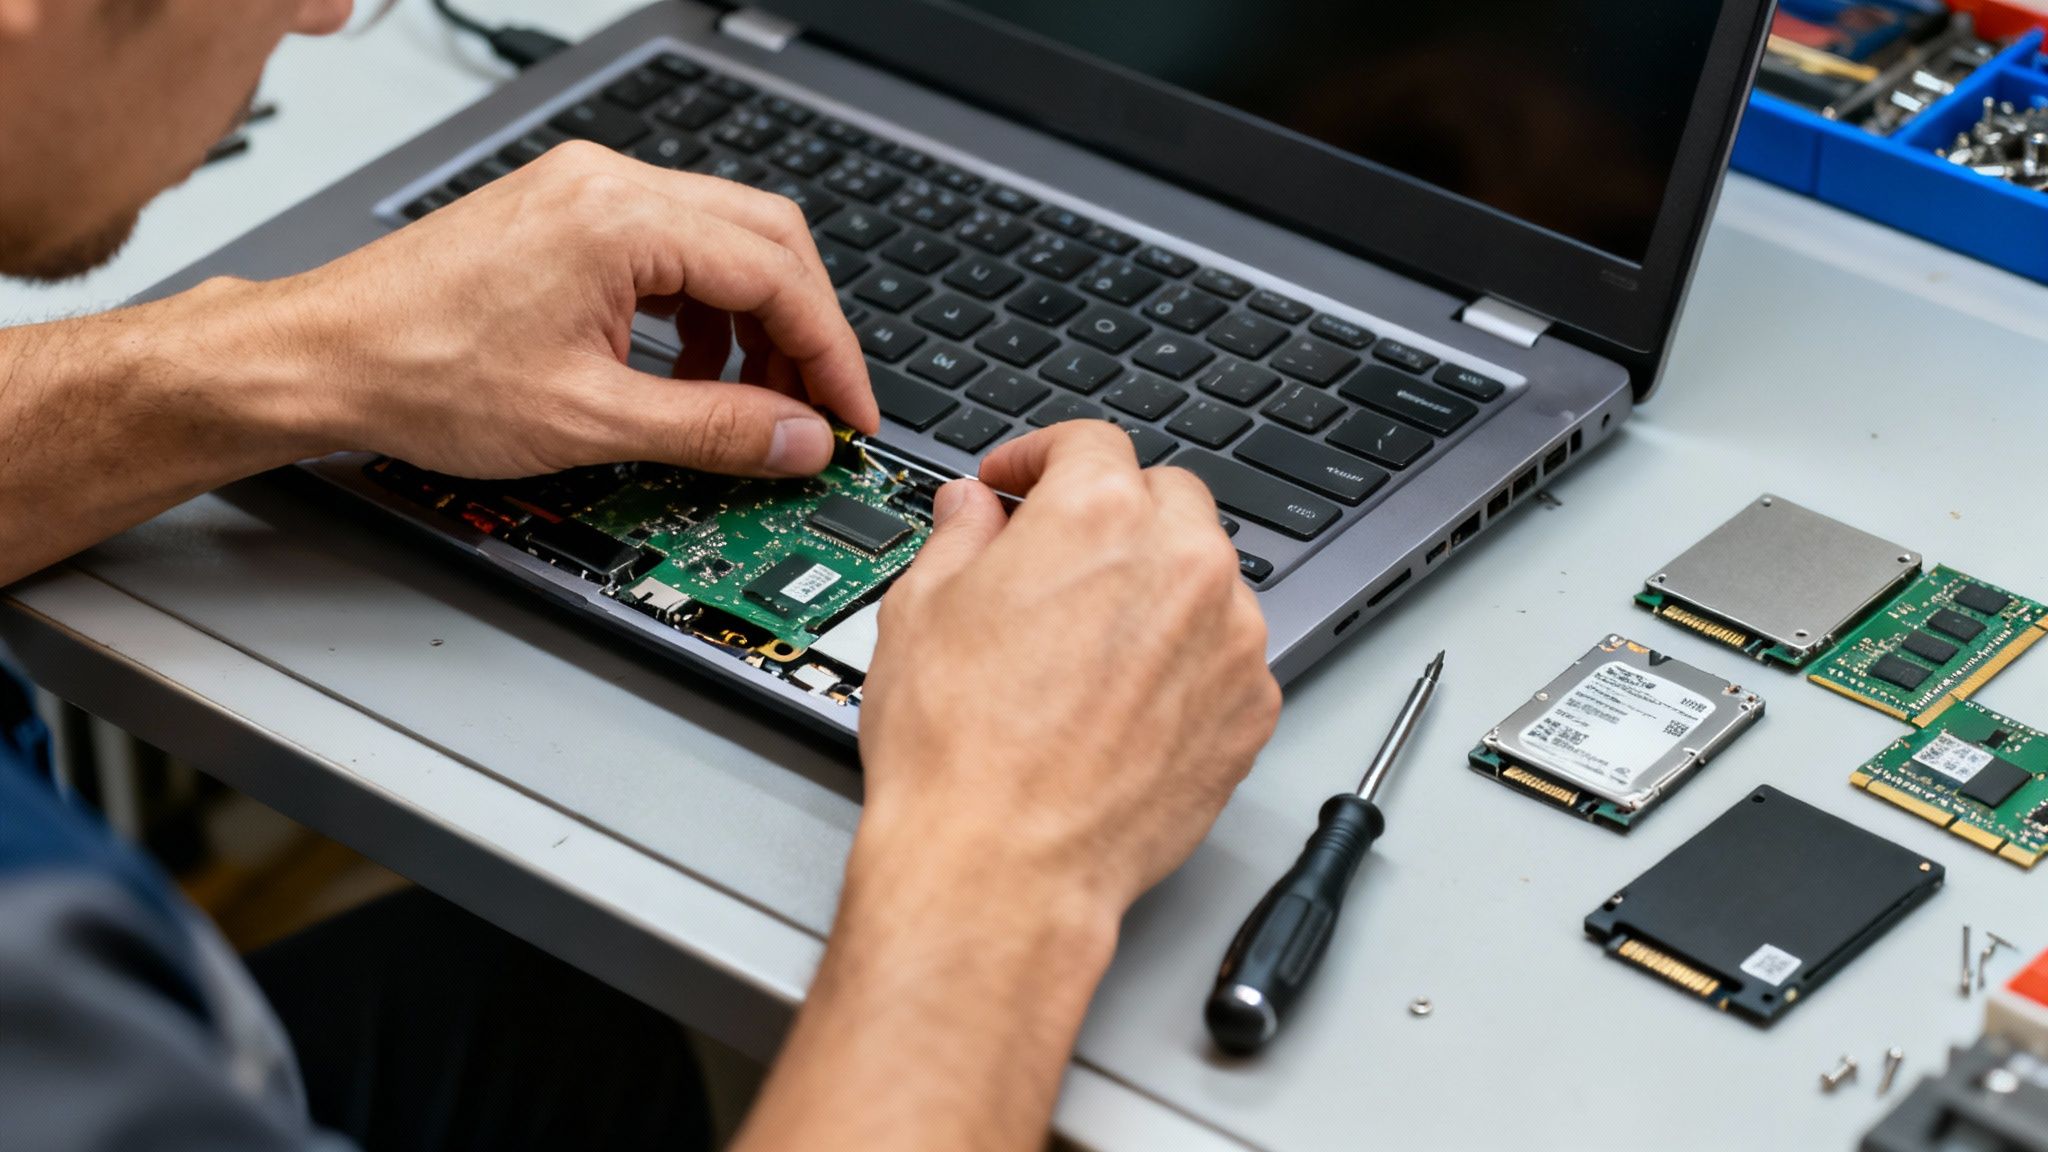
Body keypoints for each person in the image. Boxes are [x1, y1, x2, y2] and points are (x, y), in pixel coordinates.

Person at [0, 3, 1282, 1150]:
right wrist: (1011, 861)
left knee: (560, 1018)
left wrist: (269, 359)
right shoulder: (47, 1002)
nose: (331, 15)